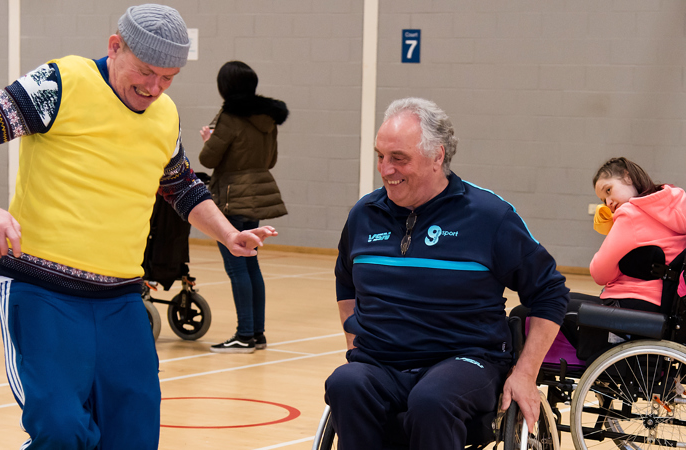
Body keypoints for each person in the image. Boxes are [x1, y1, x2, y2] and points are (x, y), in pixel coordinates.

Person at [0, 5, 276, 449]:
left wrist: (229, 234)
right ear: (115, 47)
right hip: (42, 291)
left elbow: (181, 187)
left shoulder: (164, 114)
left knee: (133, 433)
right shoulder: (61, 83)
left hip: (121, 300)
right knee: (60, 430)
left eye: (169, 78)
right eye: (146, 72)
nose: (154, 88)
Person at [324, 97, 569, 449]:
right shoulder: (364, 214)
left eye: (399, 158)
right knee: (345, 383)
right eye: (380, 156)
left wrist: (526, 373)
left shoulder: (489, 216)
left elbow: (549, 292)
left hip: (465, 360)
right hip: (381, 362)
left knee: (432, 399)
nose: (385, 169)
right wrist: (354, 340)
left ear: (437, 156)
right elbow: (346, 279)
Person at [198, 61, 288, 354]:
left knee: (237, 266)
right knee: (251, 264)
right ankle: (257, 333)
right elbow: (271, 160)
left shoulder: (230, 118)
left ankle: (244, 335)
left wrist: (209, 140)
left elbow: (208, 159)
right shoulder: (268, 118)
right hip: (257, 195)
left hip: (231, 195)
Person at [560, 157, 686, 349]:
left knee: (545, 306)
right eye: (603, 199)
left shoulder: (631, 214)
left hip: (633, 304)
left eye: (608, 190)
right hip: (662, 306)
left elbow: (599, 273)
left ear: (627, 177)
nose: (608, 202)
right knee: (563, 299)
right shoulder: (676, 203)